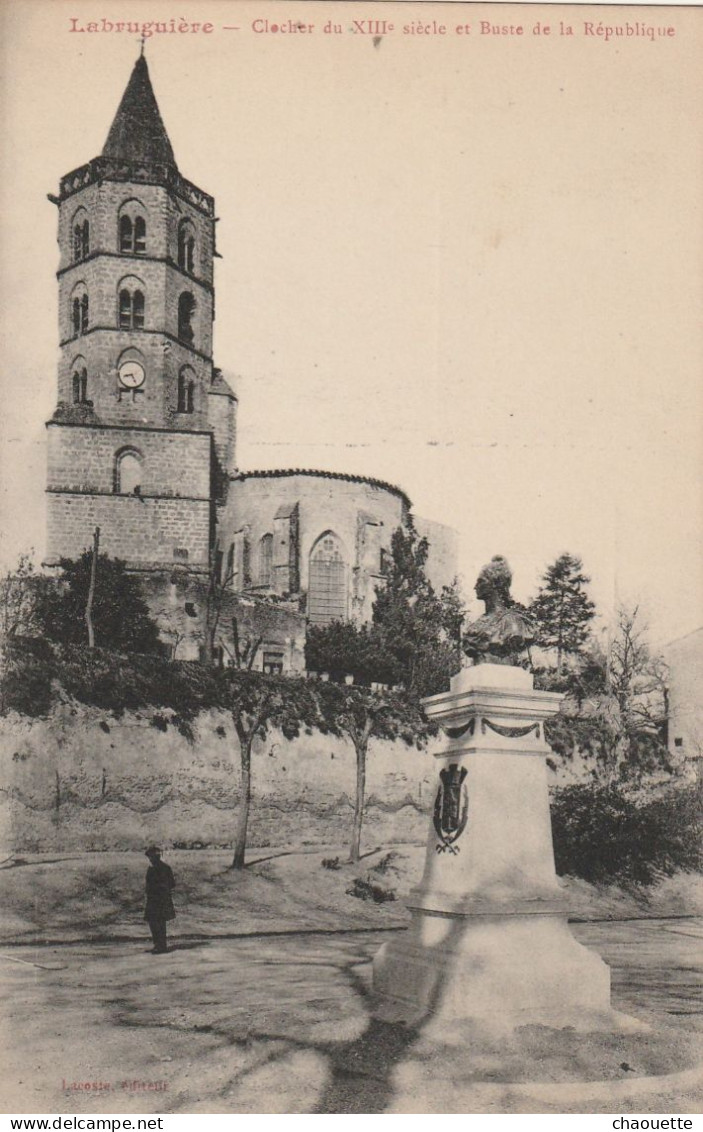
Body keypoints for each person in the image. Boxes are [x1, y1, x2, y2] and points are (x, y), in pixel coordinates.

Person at [144, 846, 175, 954]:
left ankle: (162, 946)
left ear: (156, 857)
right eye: (149, 858)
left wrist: (159, 889)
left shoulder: (165, 868)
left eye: (151, 857)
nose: (150, 859)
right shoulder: (151, 868)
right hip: (152, 900)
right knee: (153, 923)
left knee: (160, 923)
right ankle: (157, 945)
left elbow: (171, 884)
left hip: (161, 900)